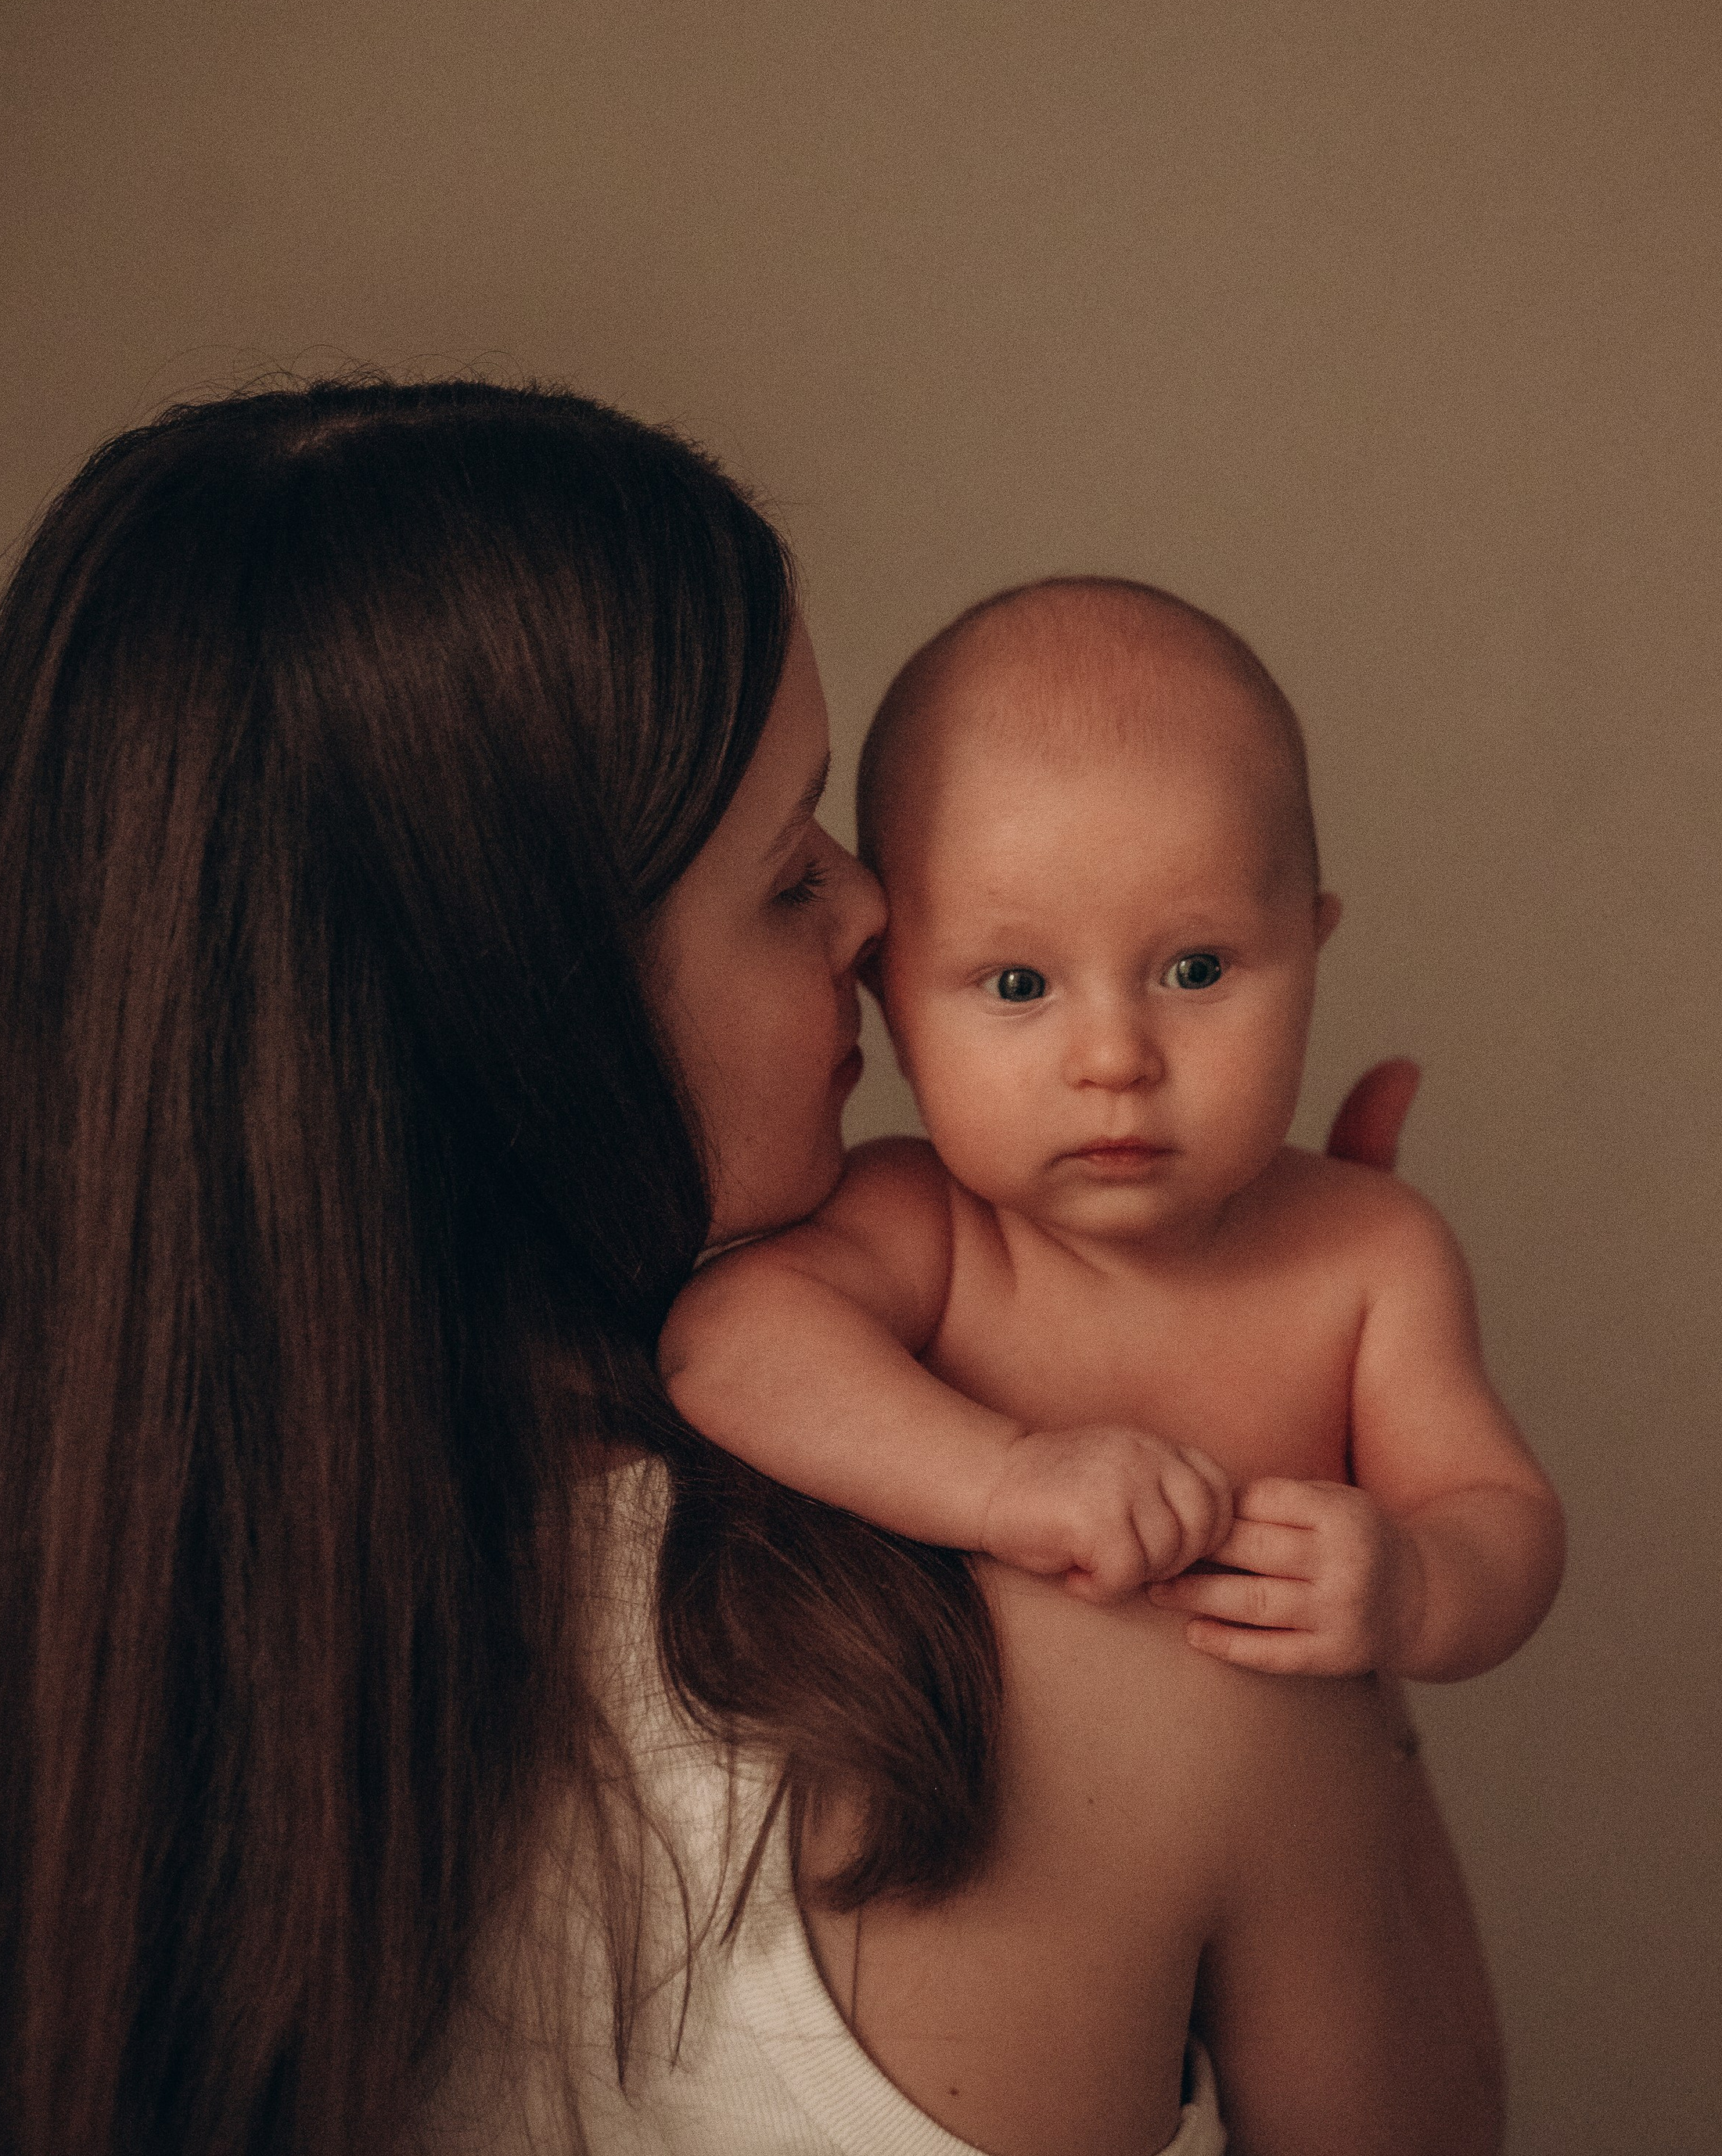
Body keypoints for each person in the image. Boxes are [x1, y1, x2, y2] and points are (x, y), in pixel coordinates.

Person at [0, 383, 1511, 2156]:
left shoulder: (3, 1698)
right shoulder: (1114, 1624)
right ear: (517, 1013)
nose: (875, 912)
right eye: (787, 873)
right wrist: (1317, 1537)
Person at [662, 576, 1564, 1683]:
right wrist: (1006, 1479)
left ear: (1309, 956)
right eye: (1018, 983)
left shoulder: (1369, 1253)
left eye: (1195, 970)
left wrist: (1418, 1583)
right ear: (893, 1002)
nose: (1115, 1060)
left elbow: (1499, 1510)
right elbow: (727, 1347)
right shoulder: (928, 1228)